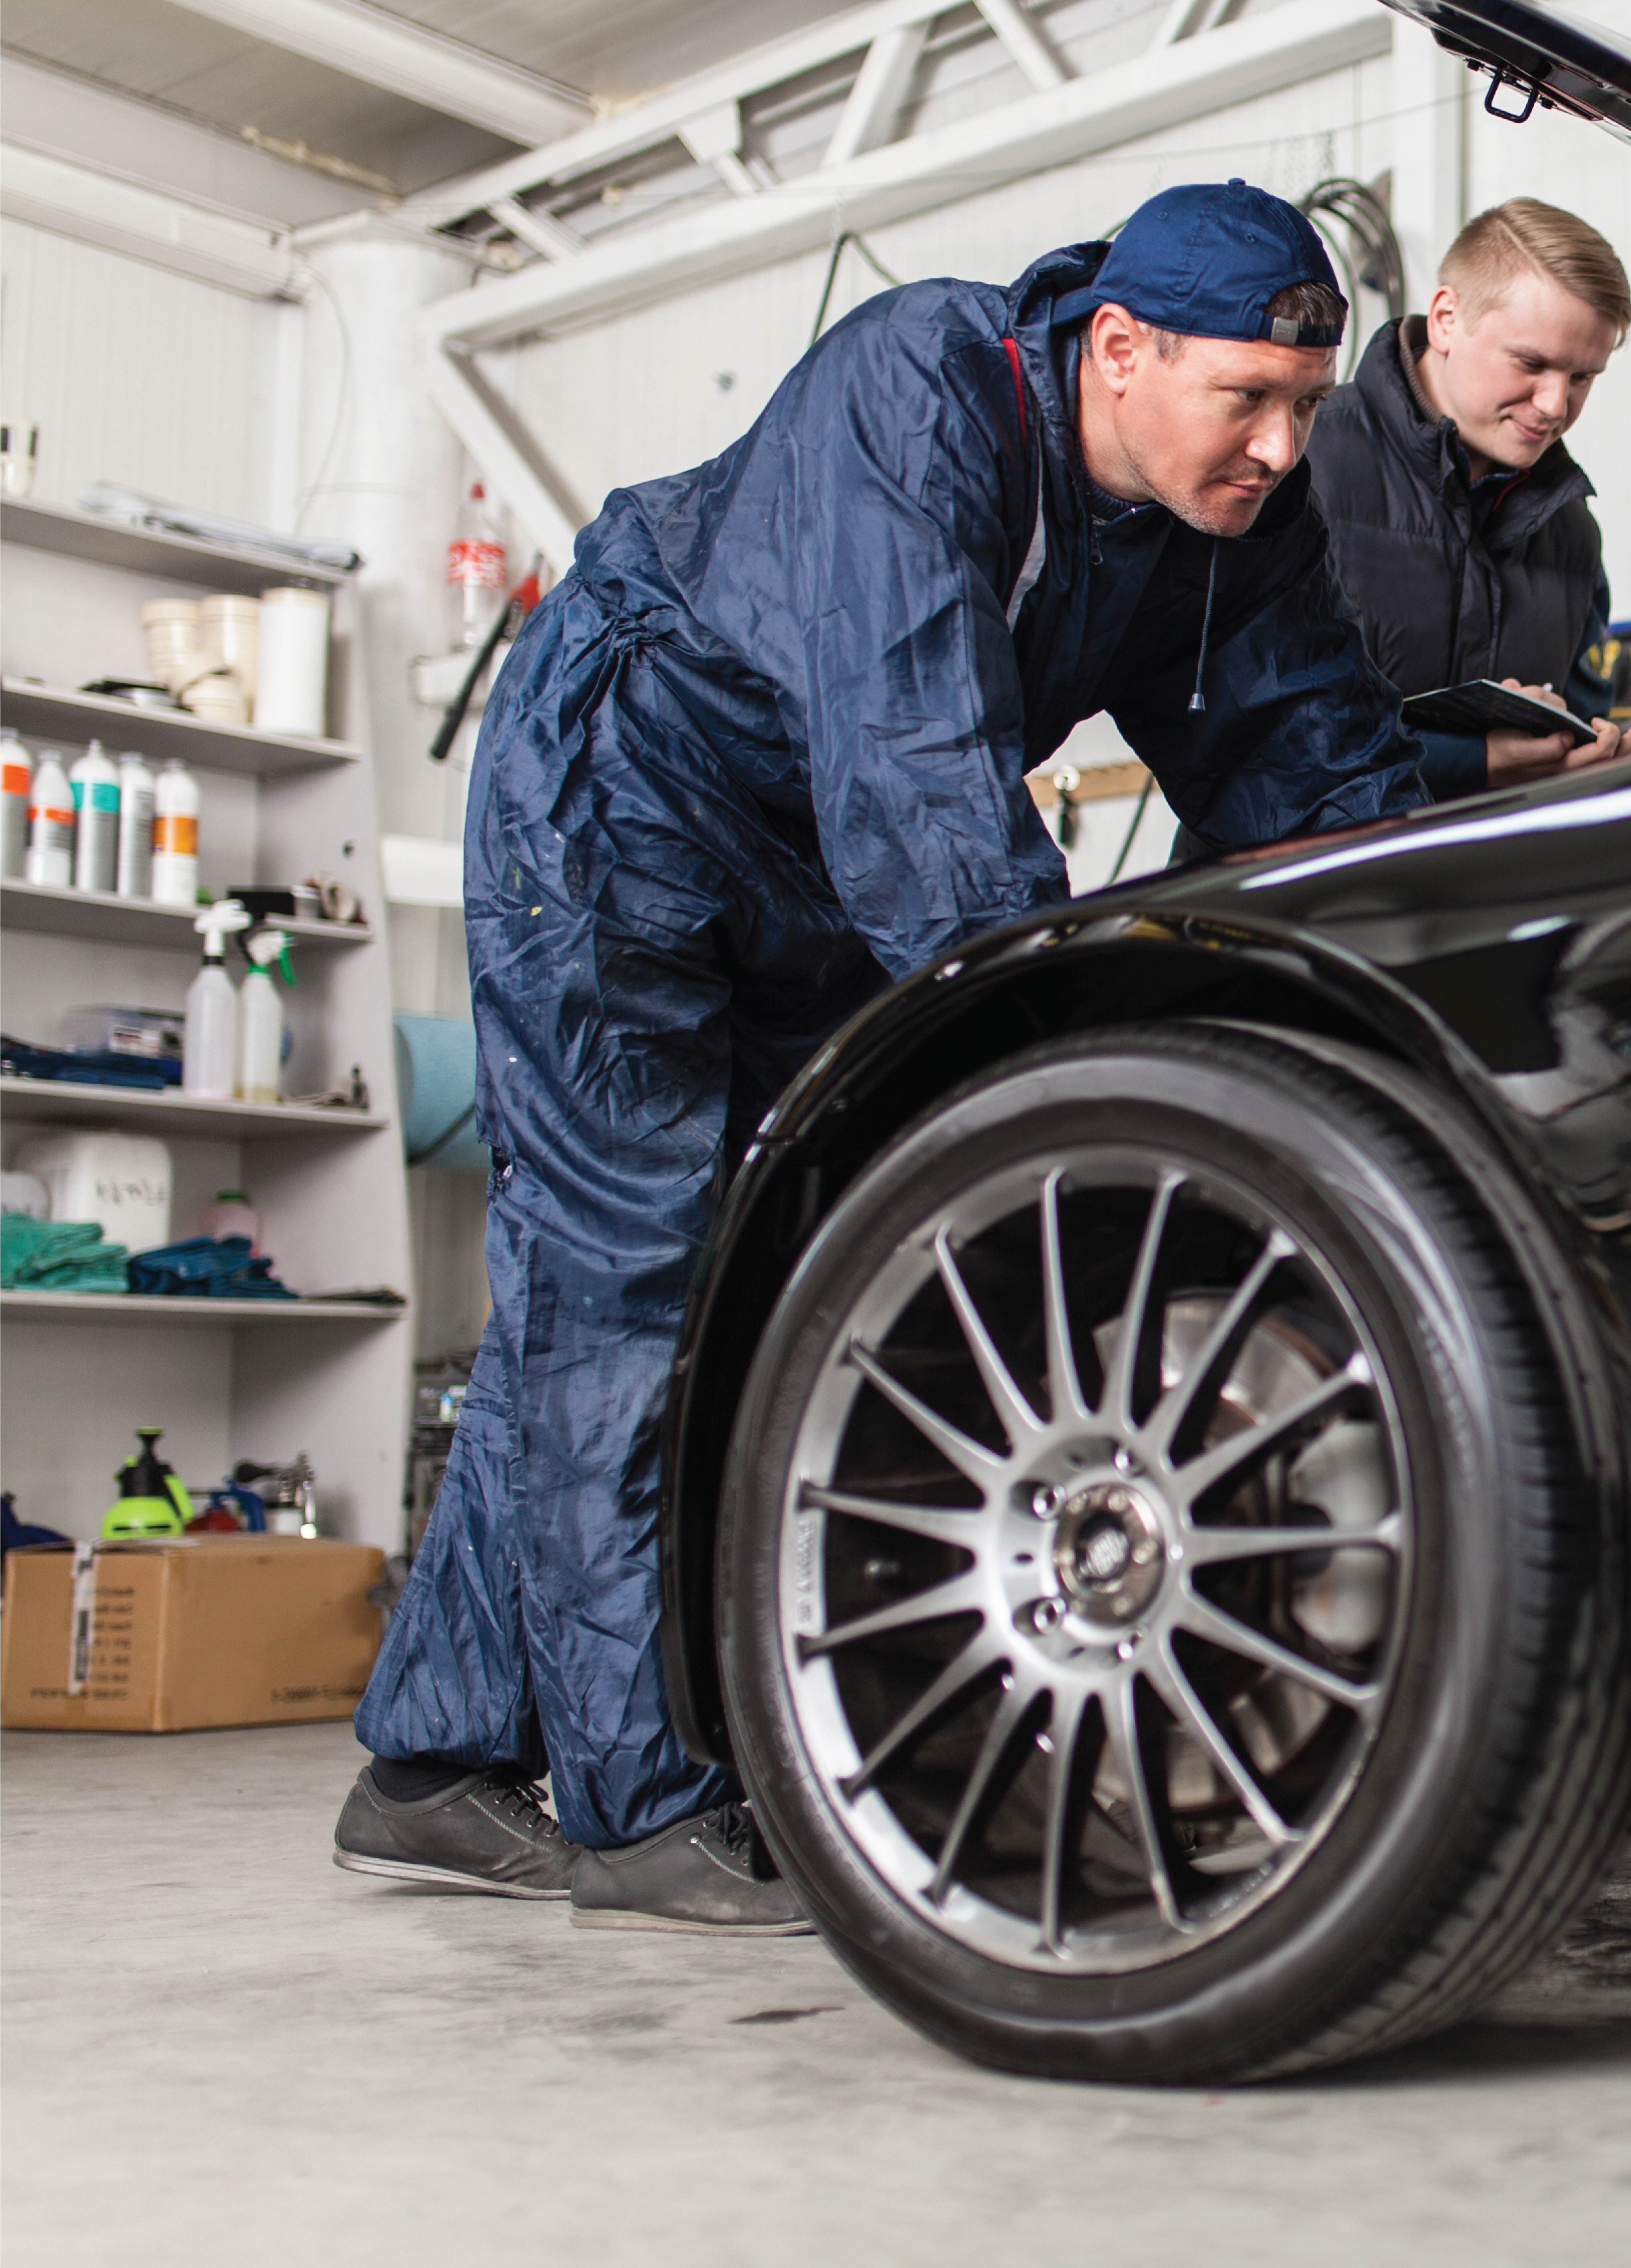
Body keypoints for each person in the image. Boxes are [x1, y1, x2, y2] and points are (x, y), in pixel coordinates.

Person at [332, 182, 1430, 1933]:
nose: (1286, 447)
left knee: (683, 1280)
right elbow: (920, 784)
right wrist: (1072, 1075)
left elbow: (1306, 759)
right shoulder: (920, 387)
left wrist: (1435, 921)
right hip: (621, 792)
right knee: (632, 1267)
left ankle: (434, 1764)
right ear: (1122, 354)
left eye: (1311, 405)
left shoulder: (1226, 514)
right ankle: (634, 1807)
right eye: (1250, 400)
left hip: (802, 857)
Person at [1311, 197, 1631, 798]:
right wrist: (1472, 761)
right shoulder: (1303, 466)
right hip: (1292, 886)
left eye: (1581, 377)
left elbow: (1578, 720)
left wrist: (1588, 754)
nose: (1554, 405)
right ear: (1446, 319)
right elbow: (1249, 733)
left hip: (1483, 885)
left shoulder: (1570, 531)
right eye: (1530, 362)